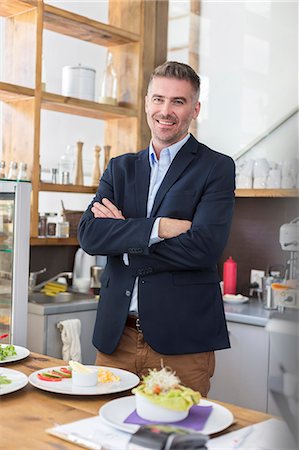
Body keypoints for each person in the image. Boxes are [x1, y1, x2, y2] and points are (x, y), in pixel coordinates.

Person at [78, 61, 235, 397]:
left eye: (178, 101)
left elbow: (204, 246)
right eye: (159, 99)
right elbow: (90, 235)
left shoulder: (216, 168)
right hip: (116, 340)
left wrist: (124, 238)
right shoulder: (120, 169)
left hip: (182, 346)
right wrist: (160, 227)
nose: (166, 111)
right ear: (147, 103)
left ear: (195, 109)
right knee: (102, 437)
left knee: (177, 441)